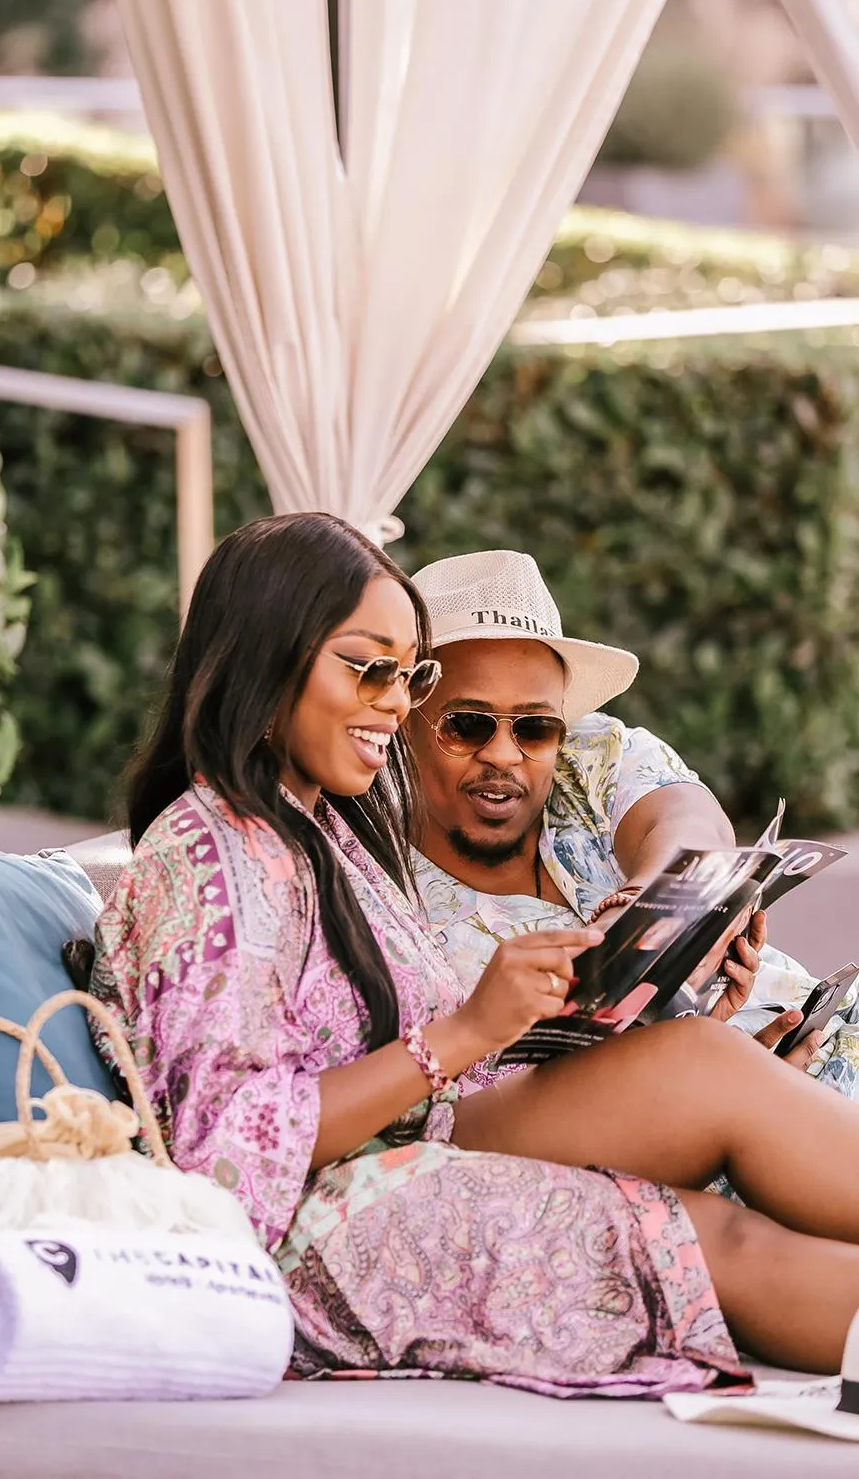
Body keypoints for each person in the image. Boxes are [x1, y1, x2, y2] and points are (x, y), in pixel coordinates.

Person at [87, 512, 859, 1398]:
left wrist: (651, 1005)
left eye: (405, 673)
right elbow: (225, 1154)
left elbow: (670, 815)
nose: (391, 700)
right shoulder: (205, 856)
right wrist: (462, 1033)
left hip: (442, 1121)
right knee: (710, 1233)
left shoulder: (321, 828)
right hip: (338, 1204)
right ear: (268, 656)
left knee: (700, 1056)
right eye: (367, 667)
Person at [408, 549, 859, 1094]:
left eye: (534, 728)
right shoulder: (383, 897)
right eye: (468, 724)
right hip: (724, 1129)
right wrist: (733, 1078)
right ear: (403, 720)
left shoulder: (589, 751)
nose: (504, 753)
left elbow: (690, 822)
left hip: (823, 1039)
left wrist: (645, 912)